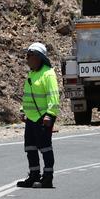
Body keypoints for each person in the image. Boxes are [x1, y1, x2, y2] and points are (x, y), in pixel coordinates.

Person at [16, 42, 60, 189]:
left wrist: (50, 115)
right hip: (31, 118)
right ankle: (34, 175)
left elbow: (53, 97)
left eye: (30, 56)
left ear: (39, 57)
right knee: (30, 148)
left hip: (43, 118)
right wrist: (23, 110)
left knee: (45, 148)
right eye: (27, 55)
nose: (27, 59)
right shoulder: (32, 73)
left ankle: (48, 178)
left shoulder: (48, 74)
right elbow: (27, 95)